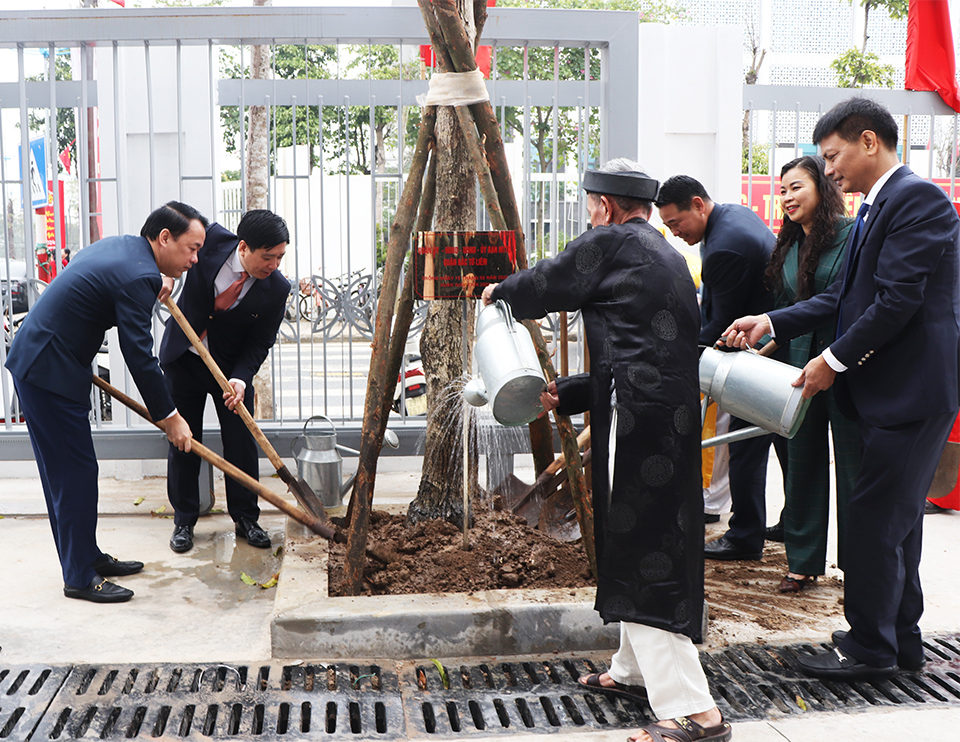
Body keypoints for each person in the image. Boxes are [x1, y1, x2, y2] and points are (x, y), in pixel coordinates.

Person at [482, 160, 730, 742]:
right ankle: (631, 670)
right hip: (657, 416)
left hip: (640, 426)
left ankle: (696, 710)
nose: (588, 213)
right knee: (640, 541)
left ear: (607, 206)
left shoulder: (614, 241)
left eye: (590, 203)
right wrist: (568, 393)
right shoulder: (659, 250)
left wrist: (503, 291)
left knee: (646, 553)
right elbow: (637, 351)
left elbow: (550, 281)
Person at [723, 98, 960, 680]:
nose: (828, 170)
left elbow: (897, 300)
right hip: (892, 391)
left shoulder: (917, 200)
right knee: (894, 522)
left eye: (833, 156)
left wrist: (831, 360)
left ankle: (869, 649)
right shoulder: (878, 207)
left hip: (911, 390)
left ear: (870, 142)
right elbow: (846, 298)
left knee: (877, 519)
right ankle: (898, 640)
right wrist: (774, 322)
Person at [5, 201, 205, 603]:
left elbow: (112, 285)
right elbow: (140, 356)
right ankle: (79, 577)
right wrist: (170, 416)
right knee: (73, 475)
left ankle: (87, 556)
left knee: (72, 474)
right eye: (191, 248)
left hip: (47, 360)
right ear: (164, 238)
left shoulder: (124, 249)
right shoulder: (139, 275)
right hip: (49, 372)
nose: (195, 259)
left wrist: (154, 284)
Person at [655, 176, 778, 561]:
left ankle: (744, 536)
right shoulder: (731, 217)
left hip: (761, 355)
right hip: (774, 347)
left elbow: (721, 329)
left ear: (697, 204)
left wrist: (678, 355)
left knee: (744, 446)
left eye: (676, 224)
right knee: (785, 446)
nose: (675, 234)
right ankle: (793, 524)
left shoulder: (726, 246)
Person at [159, 209, 290, 553]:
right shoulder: (211, 239)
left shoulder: (277, 288)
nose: (273, 265)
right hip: (185, 358)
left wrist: (241, 379)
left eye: (280, 257)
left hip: (230, 373)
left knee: (241, 444)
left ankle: (246, 517)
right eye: (268, 257)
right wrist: (164, 273)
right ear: (243, 247)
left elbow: (260, 341)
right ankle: (184, 520)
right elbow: (172, 219)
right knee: (184, 441)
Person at [766, 155, 859, 594]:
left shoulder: (852, 235)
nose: (787, 197)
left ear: (824, 187)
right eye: (783, 190)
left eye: (796, 187)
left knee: (854, 468)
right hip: (797, 368)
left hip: (845, 367)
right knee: (800, 464)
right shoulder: (788, 243)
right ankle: (802, 562)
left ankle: (858, 563)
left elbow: (843, 303)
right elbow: (790, 309)